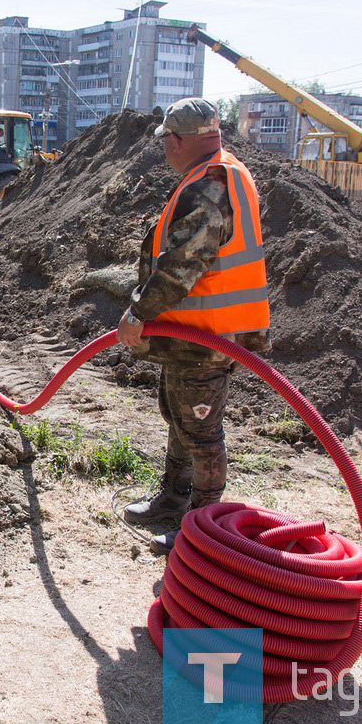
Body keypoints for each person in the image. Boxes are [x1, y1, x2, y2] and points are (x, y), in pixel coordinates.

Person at [116, 98, 271, 556]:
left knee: (201, 432)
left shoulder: (211, 185)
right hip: (194, 330)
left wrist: (138, 312)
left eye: (166, 142)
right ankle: (172, 500)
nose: (165, 150)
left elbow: (186, 263)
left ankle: (200, 529)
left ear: (180, 140)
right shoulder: (223, 173)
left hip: (210, 334)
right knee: (178, 417)